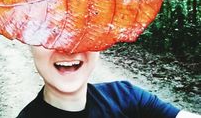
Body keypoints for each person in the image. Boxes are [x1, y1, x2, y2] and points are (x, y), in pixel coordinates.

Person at [17, 46, 200, 118]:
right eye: (49, 33)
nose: (68, 49)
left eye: (84, 31)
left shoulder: (126, 97)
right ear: (29, 44)